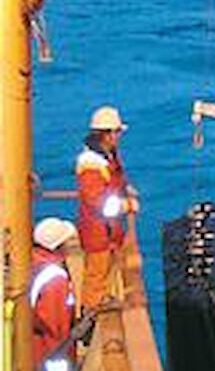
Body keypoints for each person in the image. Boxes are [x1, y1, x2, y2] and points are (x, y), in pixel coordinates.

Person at [75, 106, 139, 311]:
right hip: (98, 231)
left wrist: (125, 188)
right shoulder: (91, 165)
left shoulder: (106, 156)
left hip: (108, 230)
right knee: (96, 273)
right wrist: (126, 205)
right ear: (108, 134)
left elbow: (113, 181)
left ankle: (101, 299)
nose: (119, 136)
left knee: (105, 270)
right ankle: (90, 314)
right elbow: (98, 202)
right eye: (117, 132)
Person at [31, 217, 77, 370]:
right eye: (67, 241)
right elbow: (55, 323)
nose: (71, 245)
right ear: (58, 246)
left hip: (34, 344)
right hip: (50, 352)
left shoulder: (34, 263)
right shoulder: (55, 278)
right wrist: (62, 352)